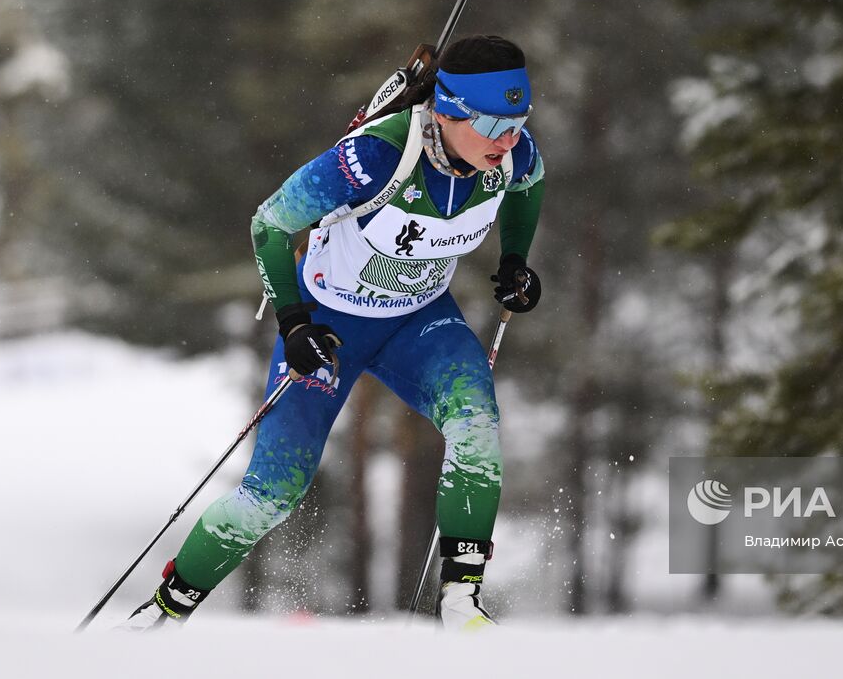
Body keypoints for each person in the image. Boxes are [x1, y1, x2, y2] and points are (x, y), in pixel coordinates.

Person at [125, 34, 544, 632]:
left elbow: (529, 189)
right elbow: (269, 223)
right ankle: (162, 615)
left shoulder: (513, 157)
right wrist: (293, 321)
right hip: (330, 326)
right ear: (449, 112)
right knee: (273, 493)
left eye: (519, 121)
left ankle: (461, 604)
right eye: (494, 124)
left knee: (476, 426)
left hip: (418, 321)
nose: (509, 141)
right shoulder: (376, 156)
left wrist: (514, 262)